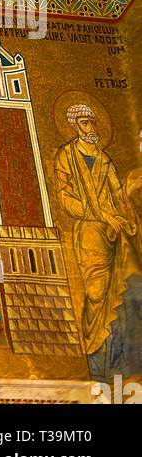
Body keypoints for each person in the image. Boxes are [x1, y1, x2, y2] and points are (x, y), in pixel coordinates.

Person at [54, 104, 142, 376]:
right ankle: (97, 360)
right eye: (84, 123)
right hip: (89, 234)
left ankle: (124, 363)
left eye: (91, 122)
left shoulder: (104, 159)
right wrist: (101, 214)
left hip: (114, 232)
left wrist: (129, 196)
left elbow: (118, 196)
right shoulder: (66, 156)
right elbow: (65, 199)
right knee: (96, 291)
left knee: (129, 287)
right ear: (74, 126)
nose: (90, 127)